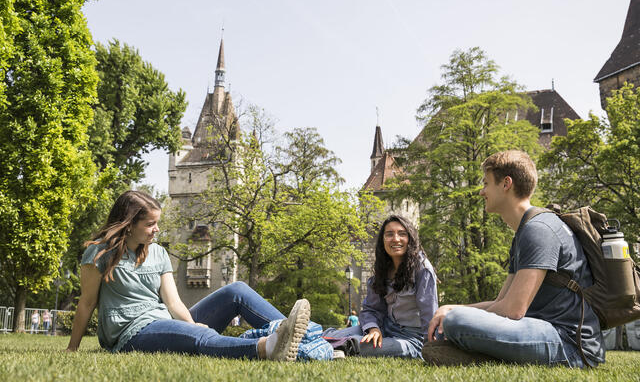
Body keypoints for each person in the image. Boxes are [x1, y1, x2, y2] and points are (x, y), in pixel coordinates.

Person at [66, 190, 310, 360]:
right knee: (200, 335)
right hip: (131, 333)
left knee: (237, 291)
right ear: (129, 224)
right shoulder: (98, 253)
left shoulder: (159, 252)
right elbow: (87, 303)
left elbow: (173, 302)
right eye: (150, 224)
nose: (157, 229)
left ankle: (310, 341)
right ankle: (269, 347)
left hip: (164, 319)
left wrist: (191, 324)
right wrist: (72, 349)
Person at [423, 150, 605, 368]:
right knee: (453, 318)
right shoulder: (524, 232)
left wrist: (456, 314)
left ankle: (484, 356)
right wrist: (451, 307)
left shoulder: (538, 230)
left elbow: (512, 310)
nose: (482, 192)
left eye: (486, 183)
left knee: (455, 322)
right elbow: (502, 303)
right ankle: (486, 356)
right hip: (541, 331)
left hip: (569, 344)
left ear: (506, 184)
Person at [323, 215, 438, 358]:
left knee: (356, 344)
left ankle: (319, 349)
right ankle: (305, 337)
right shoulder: (382, 270)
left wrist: (431, 349)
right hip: (384, 327)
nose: (396, 239)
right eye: (389, 234)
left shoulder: (422, 269)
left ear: (410, 238)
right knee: (331, 335)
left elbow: (430, 314)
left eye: (402, 234)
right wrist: (373, 329)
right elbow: (371, 309)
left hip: (411, 339)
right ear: (383, 240)